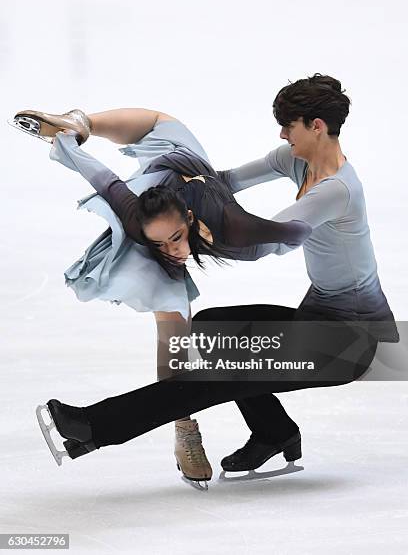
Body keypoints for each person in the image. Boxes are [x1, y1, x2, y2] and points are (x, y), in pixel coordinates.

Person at [17, 73, 400, 484]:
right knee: (211, 329)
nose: (282, 133)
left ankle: (93, 427)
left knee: (220, 374)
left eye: (289, 125)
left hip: (352, 339)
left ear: (316, 126)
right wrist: (172, 195)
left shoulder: (336, 190)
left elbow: (267, 242)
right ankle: (275, 432)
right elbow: (224, 182)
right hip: (321, 317)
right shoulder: (296, 161)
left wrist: (191, 233)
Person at [12, 103, 311, 488]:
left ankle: (274, 429)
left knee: (215, 330)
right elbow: (98, 175)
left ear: (188, 221)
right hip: (158, 190)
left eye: (175, 240)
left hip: (190, 173)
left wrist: (320, 199)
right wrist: (68, 140)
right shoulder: (140, 221)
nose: (174, 251)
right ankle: (186, 428)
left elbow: (289, 234)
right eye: (163, 244)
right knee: (173, 311)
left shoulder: (232, 230)